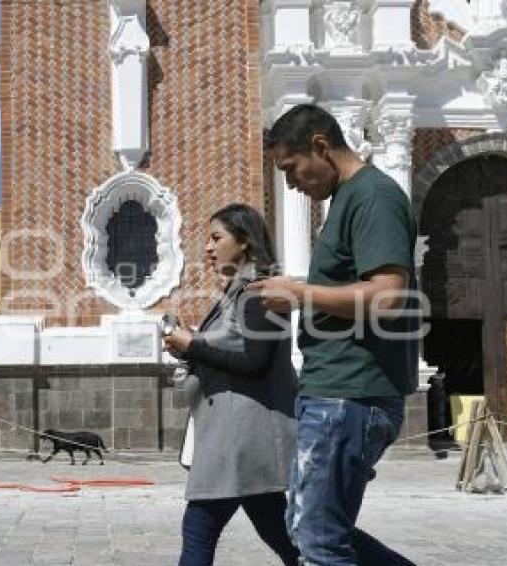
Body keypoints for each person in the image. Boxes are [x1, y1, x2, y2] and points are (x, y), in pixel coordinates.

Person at [252, 103, 419, 565]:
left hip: (351, 395)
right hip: (334, 391)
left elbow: (387, 295)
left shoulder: (373, 197)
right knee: (308, 527)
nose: (289, 183)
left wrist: (300, 293)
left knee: (319, 540)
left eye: (291, 168)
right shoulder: (349, 198)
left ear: (321, 147)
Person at [164, 203, 299, 566]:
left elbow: (255, 363)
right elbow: (231, 348)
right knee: (284, 534)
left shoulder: (259, 293)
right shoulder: (237, 293)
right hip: (236, 437)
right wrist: (190, 344)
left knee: (199, 528)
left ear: (244, 242)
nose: (207, 247)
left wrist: (192, 345)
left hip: (241, 438)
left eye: (215, 238)